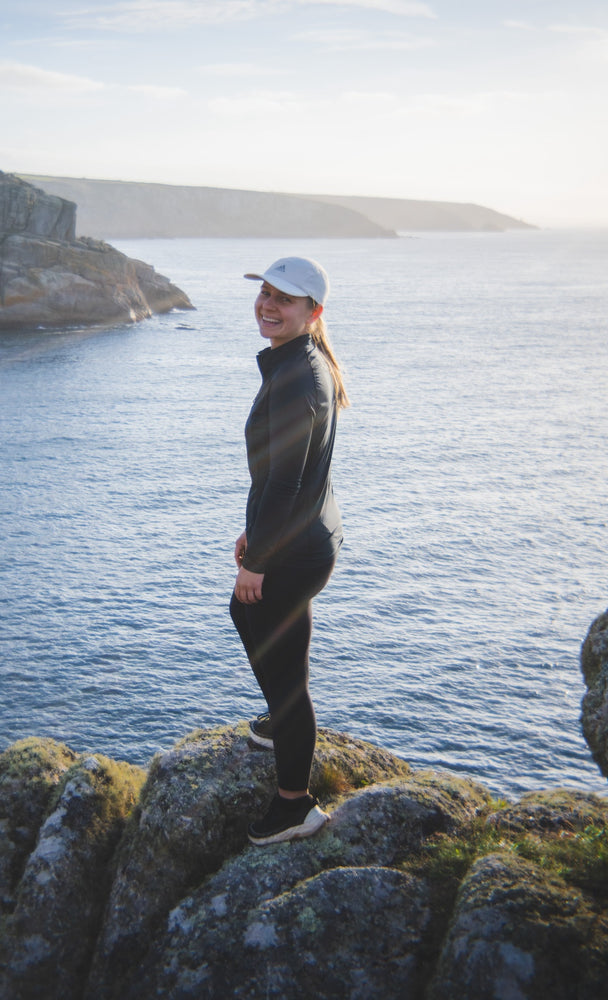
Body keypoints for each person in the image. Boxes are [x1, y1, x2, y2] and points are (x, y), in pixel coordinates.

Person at [230, 256, 349, 846]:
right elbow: (286, 477)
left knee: (285, 673)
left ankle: (295, 804)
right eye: (266, 294)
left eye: (285, 299)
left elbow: (284, 481)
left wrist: (259, 561)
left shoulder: (300, 375)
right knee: (248, 617)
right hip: (299, 536)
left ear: (313, 312)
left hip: (297, 548)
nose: (268, 306)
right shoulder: (296, 363)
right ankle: (281, 724)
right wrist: (256, 533)